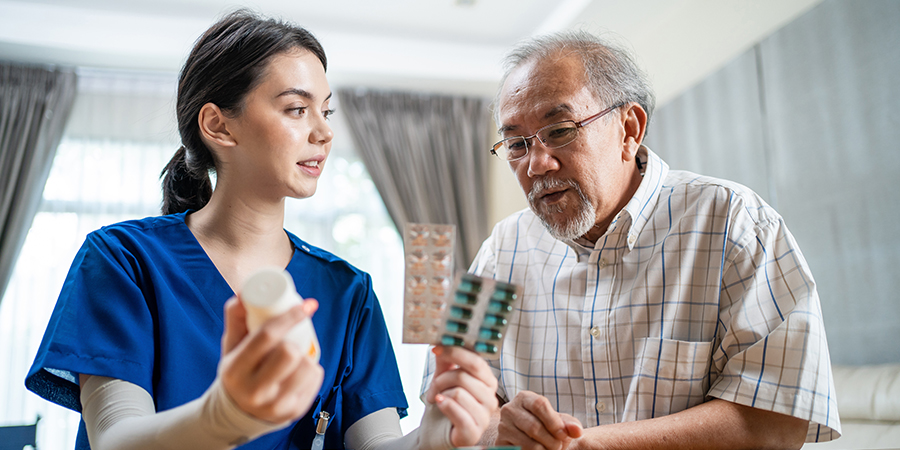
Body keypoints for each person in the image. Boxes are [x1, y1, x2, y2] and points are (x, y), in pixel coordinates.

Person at [26, 10, 497, 450]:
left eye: (326, 111)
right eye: (296, 109)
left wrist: (431, 436)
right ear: (219, 126)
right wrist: (223, 416)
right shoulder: (123, 258)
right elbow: (115, 437)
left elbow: (375, 444)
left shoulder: (348, 292)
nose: (324, 132)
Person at [423, 31, 840, 450]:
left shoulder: (734, 222)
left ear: (629, 128)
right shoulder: (501, 250)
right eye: (516, 143)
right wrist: (500, 429)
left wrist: (584, 445)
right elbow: (448, 400)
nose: (536, 163)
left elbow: (777, 422)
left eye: (560, 130)